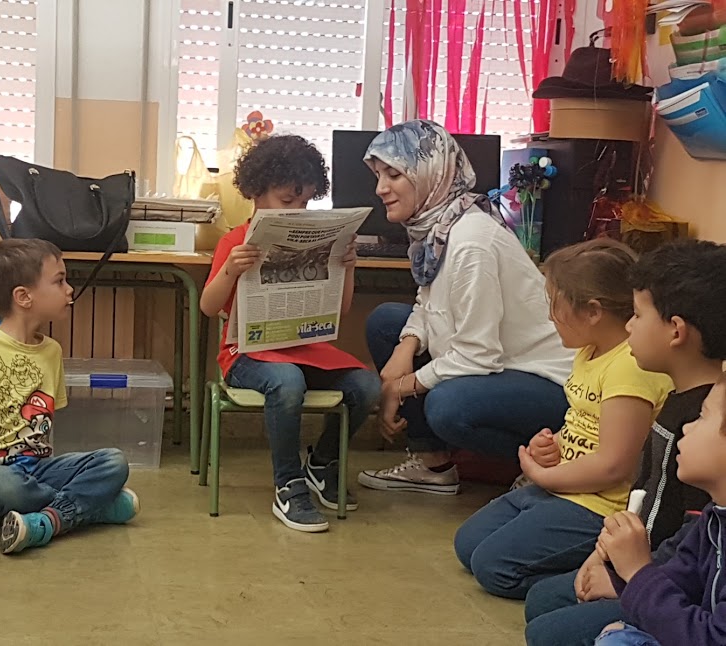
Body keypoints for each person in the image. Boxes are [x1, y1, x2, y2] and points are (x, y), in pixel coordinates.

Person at [525, 239, 726, 646]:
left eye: (636, 314)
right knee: (543, 604)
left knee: (550, 629)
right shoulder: (681, 404)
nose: (629, 326)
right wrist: (618, 568)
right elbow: (684, 550)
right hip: (649, 570)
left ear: (676, 331)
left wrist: (634, 576)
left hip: (659, 582)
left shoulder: (704, 420)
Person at [356, 120, 573, 496]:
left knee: (448, 407)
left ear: (430, 174)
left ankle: (544, 466)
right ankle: (433, 465)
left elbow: (477, 355)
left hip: (542, 380)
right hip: (499, 364)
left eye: (394, 174)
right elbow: (428, 301)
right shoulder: (437, 227)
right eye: (378, 176)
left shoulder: (471, 242)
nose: (381, 189)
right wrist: (407, 347)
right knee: (387, 322)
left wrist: (398, 388)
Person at [453, 238, 674, 600]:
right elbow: (586, 423)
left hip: (598, 506)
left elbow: (614, 466)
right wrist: (553, 444)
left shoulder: (630, 367)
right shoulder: (590, 351)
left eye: (555, 303)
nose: (550, 316)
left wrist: (541, 475)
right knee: (468, 544)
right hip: (564, 488)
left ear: (593, 311)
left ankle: (603, 577)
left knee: (494, 568)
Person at [200, 134, 381, 533]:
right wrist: (230, 269)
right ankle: (288, 483)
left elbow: (340, 310)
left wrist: (347, 266)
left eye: (305, 202)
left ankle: (321, 463)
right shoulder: (235, 241)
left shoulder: (317, 238)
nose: (297, 211)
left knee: (367, 385)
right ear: (256, 192)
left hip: (306, 350)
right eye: (287, 201)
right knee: (287, 381)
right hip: (247, 355)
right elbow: (208, 307)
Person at [0, 240, 139, 555]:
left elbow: (42, 428)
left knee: (113, 462)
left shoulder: (52, 351)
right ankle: (89, 507)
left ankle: (49, 520)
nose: (70, 289)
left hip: (34, 470)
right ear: (24, 297)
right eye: (59, 281)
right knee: (8, 487)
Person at [592, 372, 726, 646]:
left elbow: (711, 639)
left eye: (702, 417)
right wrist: (623, 562)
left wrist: (638, 572)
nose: (687, 428)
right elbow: (680, 582)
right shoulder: (714, 516)